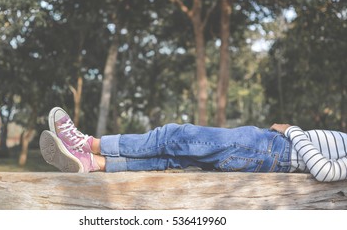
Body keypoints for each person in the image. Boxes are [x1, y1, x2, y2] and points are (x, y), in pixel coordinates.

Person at [39, 107, 347, 182]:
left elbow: (323, 169)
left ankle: (88, 144)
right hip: (267, 153)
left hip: (270, 149)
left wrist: (292, 129)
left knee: (175, 136)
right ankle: (94, 164)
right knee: (172, 158)